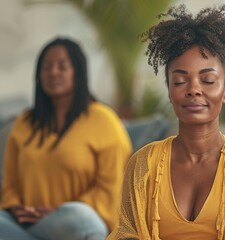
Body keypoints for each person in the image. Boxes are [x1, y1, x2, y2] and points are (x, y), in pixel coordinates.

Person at [107, 3, 225, 240]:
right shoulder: (143, 165)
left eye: (207, 80)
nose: (194, 89)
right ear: (169, 91)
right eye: (180, 81)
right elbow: (126, 234)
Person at [0, 37, 132, 240]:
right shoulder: (24, 122)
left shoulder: (105, 122)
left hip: (74, 222)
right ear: (38, 75)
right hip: (24, 223)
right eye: (46, 67)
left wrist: (56, 211)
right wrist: (16, 207)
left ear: (78, 73)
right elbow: (9, 183)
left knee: (81, 220)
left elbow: (114, 188)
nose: (53, 72)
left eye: (62, 66)